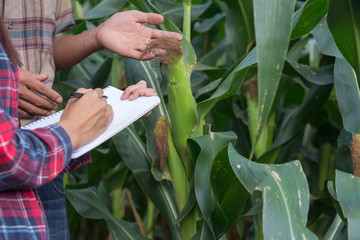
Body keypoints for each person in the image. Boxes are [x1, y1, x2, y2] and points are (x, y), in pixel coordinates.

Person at [1, 1, 181, 239]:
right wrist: (7, 79)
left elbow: (46, 49)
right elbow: (10, 160)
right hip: (19, 159)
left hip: (49, 156)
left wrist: (97, 36)